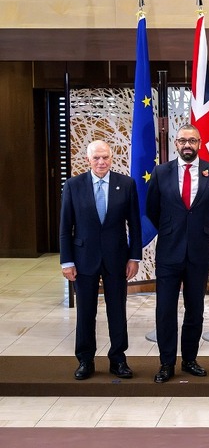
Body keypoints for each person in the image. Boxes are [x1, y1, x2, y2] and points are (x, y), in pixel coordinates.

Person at [146, 124, 209, 383]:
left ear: (200, 143)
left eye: (192, 141)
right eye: (182, 141)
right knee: (166, 309)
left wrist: (201, 230)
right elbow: (152, 209)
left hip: (199, 252)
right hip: (169, 252)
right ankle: (166, 362)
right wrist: (171, 230)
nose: (187, 145)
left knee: (195, 308)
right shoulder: (161, 172)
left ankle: (190, 359)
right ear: (176, 143)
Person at [59, 140, 142, 380]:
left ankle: (118, 359)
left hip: (117, 259)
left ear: (112, 157)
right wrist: (67, 262)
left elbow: (134, 225)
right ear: (88, 160)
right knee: (86, 312)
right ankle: (85, 360)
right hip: (83, 259)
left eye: (105, 157)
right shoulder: (74, 185)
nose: (101, 162)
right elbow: (66, 227)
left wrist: (134, 257)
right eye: (96, 158)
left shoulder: (125, 184)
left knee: (117, 310)